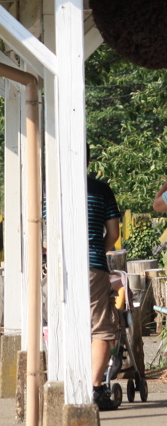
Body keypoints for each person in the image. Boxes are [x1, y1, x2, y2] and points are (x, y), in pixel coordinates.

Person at [89, 163, 122, 410]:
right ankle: (96, 389)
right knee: (99, 327)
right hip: (93, 266)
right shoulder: (101, 189)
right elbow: (113, 233)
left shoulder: (45, 189)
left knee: (55, 323)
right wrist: (98, 252)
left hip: (54, 267)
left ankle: (60, 382)